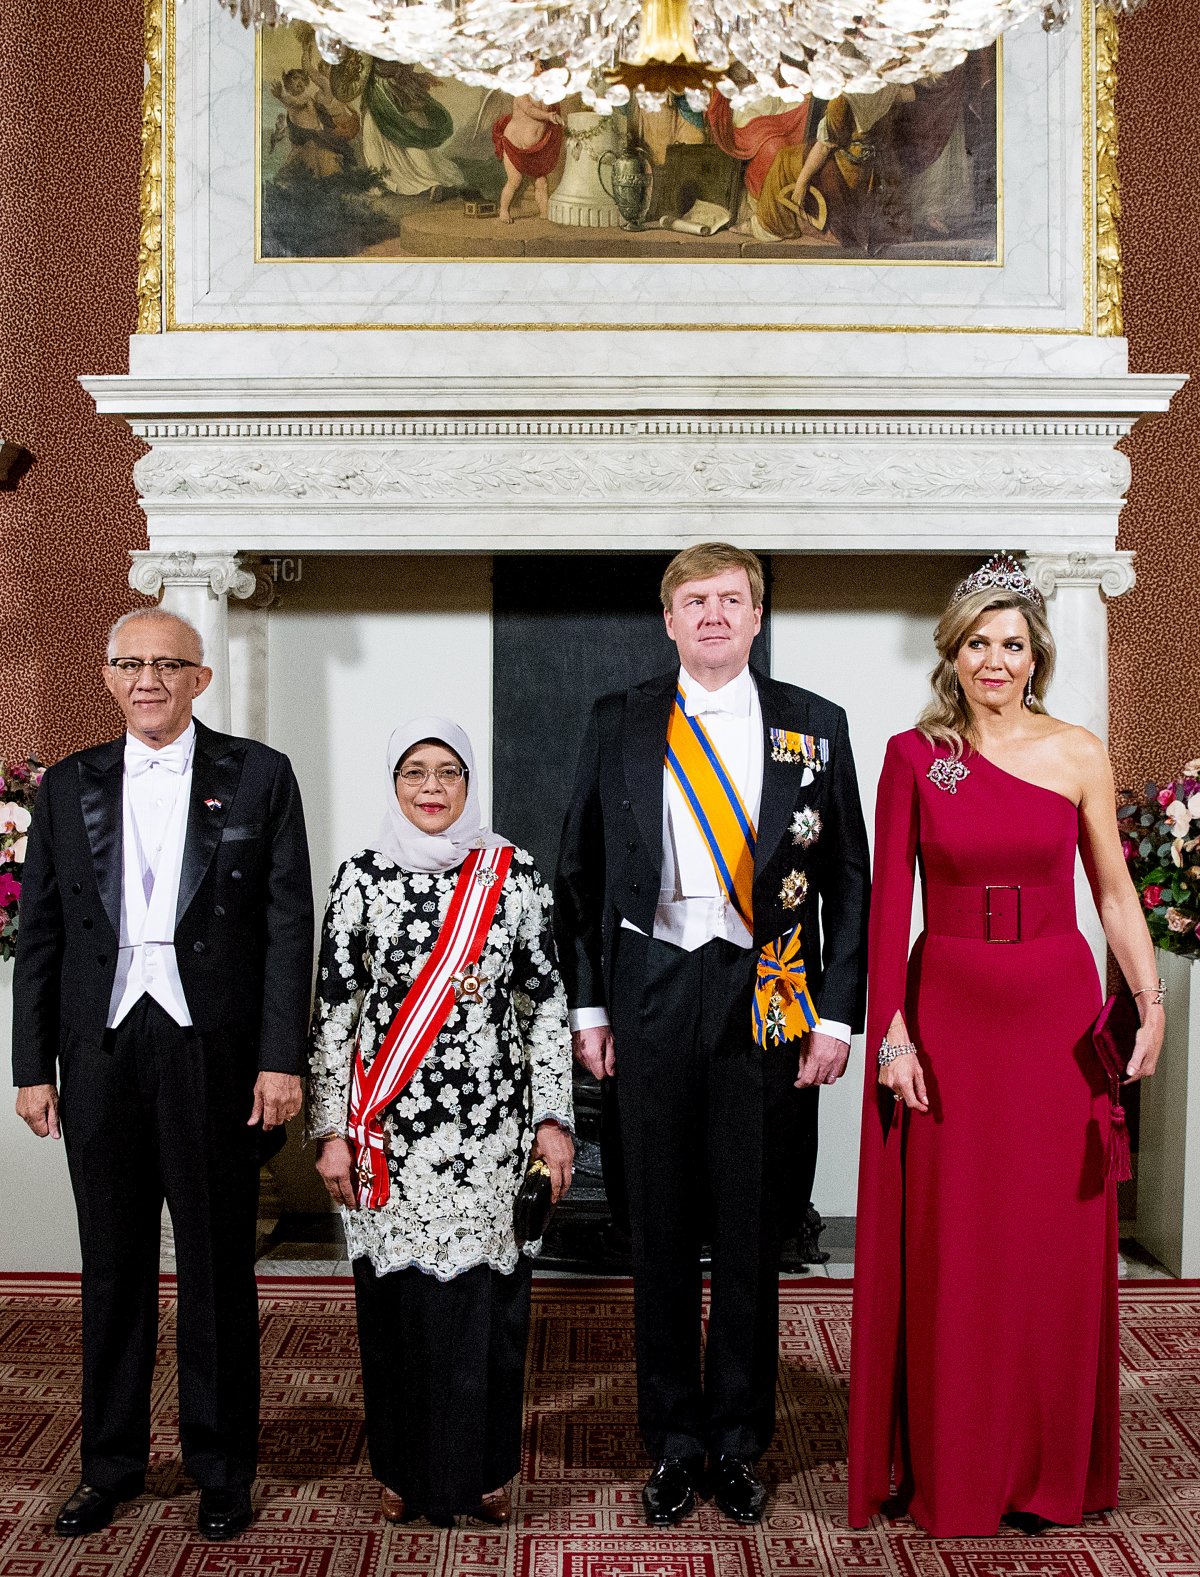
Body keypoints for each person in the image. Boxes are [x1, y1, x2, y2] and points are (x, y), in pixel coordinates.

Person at [848, 554, 1166, 1538]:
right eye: (978, 641)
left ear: (1036, 654)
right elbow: (885, 904)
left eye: (1012, 642)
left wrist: (1148, 1004)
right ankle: (957, 1461)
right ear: (956, 652)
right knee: (961, 1243)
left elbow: (1113, 891)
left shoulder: (1079, 750)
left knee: (1051, 1243)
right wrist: (892, 1032)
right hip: (949, 1018)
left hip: (1056, 1015)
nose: (995, 658)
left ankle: (1045, 1467)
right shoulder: (915, 753)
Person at [554, 542, 870, 1526]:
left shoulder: (815, 726)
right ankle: (672, 1439)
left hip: (771, 986)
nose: (715, 614)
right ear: (670, 619)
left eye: (732, 598)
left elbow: (849, 879)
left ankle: (736, 1439)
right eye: (696, 600)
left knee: (749, 1223)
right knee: (655, 1223)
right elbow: (579, 873)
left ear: (758, 614)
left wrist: (838, 1009)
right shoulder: (619, 719)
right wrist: (588, 1005)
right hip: (651, 980)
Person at [12, 607, 314, 1541]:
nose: (148, 679)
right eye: (130, 663)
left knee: (219, 1263)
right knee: (111, 1265)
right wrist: (33, 1067)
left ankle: (222, 1466)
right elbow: (43, 935)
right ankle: (110, 1463)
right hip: (98, 1048)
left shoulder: (260, 775)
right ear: (108, 676)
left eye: (167, 664)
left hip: (212, 1049)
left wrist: (279, 1055)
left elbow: (286, 924)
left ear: (200, 678)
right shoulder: (66, 785)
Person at [307, 718, 574, 1527]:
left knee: (489, 1308)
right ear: (393, 783)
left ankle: (485, 1470)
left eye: (449, 772)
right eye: (415, 771)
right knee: (398, 1309)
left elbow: (546, 1004)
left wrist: (554, 1121)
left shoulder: (515, 874)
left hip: (492, 1135)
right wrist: (329, 1129)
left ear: (468, 785)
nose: (432, 787)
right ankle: (402, 1469)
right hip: (389, 1134)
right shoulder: (359, 877)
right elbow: (333, 1012)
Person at [492, 73, 565, 223]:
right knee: (515, 180)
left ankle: (545, 213)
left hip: (536, 149)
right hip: (514, 145)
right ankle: (504, 211)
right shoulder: (521, 92)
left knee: (541, 182)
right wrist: (550, 116)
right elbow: (530, 110)